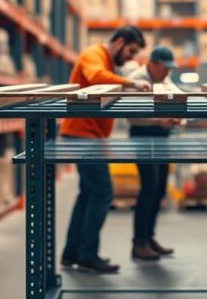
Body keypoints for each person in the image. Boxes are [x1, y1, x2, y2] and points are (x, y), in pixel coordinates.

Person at [60, 25, 151, 274]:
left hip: (90, 136)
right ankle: (87, 255)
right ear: (120, 42)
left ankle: (72, 253)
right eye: (131, 51)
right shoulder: (94, 54)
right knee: (103, 192)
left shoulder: (110, 65)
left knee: (88, 193)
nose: (131, 58)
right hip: (82, 136)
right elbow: (96, 77)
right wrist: (132, 83)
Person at [127, 46, 180, 261]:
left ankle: (149, 238)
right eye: (165, 68)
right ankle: (138, 243)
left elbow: (179, 98)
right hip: (143, 136)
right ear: (153, 64)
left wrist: (179, 117)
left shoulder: (164, 80)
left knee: (159, 188)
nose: (168, 72)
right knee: (149, 187)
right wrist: (159, 120)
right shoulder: (136, 80)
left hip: (161, 137)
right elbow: (130, 115)